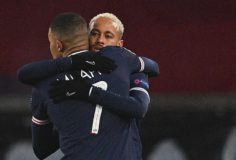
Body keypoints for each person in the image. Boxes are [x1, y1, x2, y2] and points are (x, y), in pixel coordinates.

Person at [19, 12, 157, 160]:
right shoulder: (122, 60)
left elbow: (41, 150)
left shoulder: (44, 83)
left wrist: (72, 120)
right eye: (95, 34)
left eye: (108, 36)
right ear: (87, 38)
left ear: (58, 45)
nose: (100, 41)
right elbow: (154, 67)